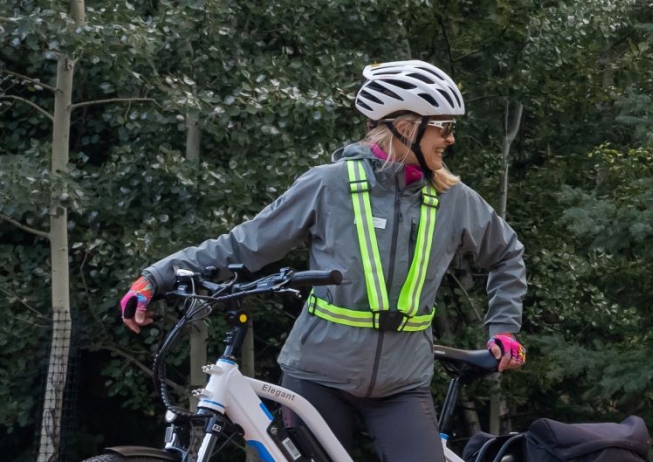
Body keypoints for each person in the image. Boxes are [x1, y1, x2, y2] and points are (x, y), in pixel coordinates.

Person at [116, 60, 529, 461]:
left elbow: (508, 254)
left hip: (403, 383)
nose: (451, 139)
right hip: (317, 375)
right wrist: (155, 278)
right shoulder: (329, 184)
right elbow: (243, 246)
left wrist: (504, 327)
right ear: (406, 127)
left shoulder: (453, 199)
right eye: (444, 127)